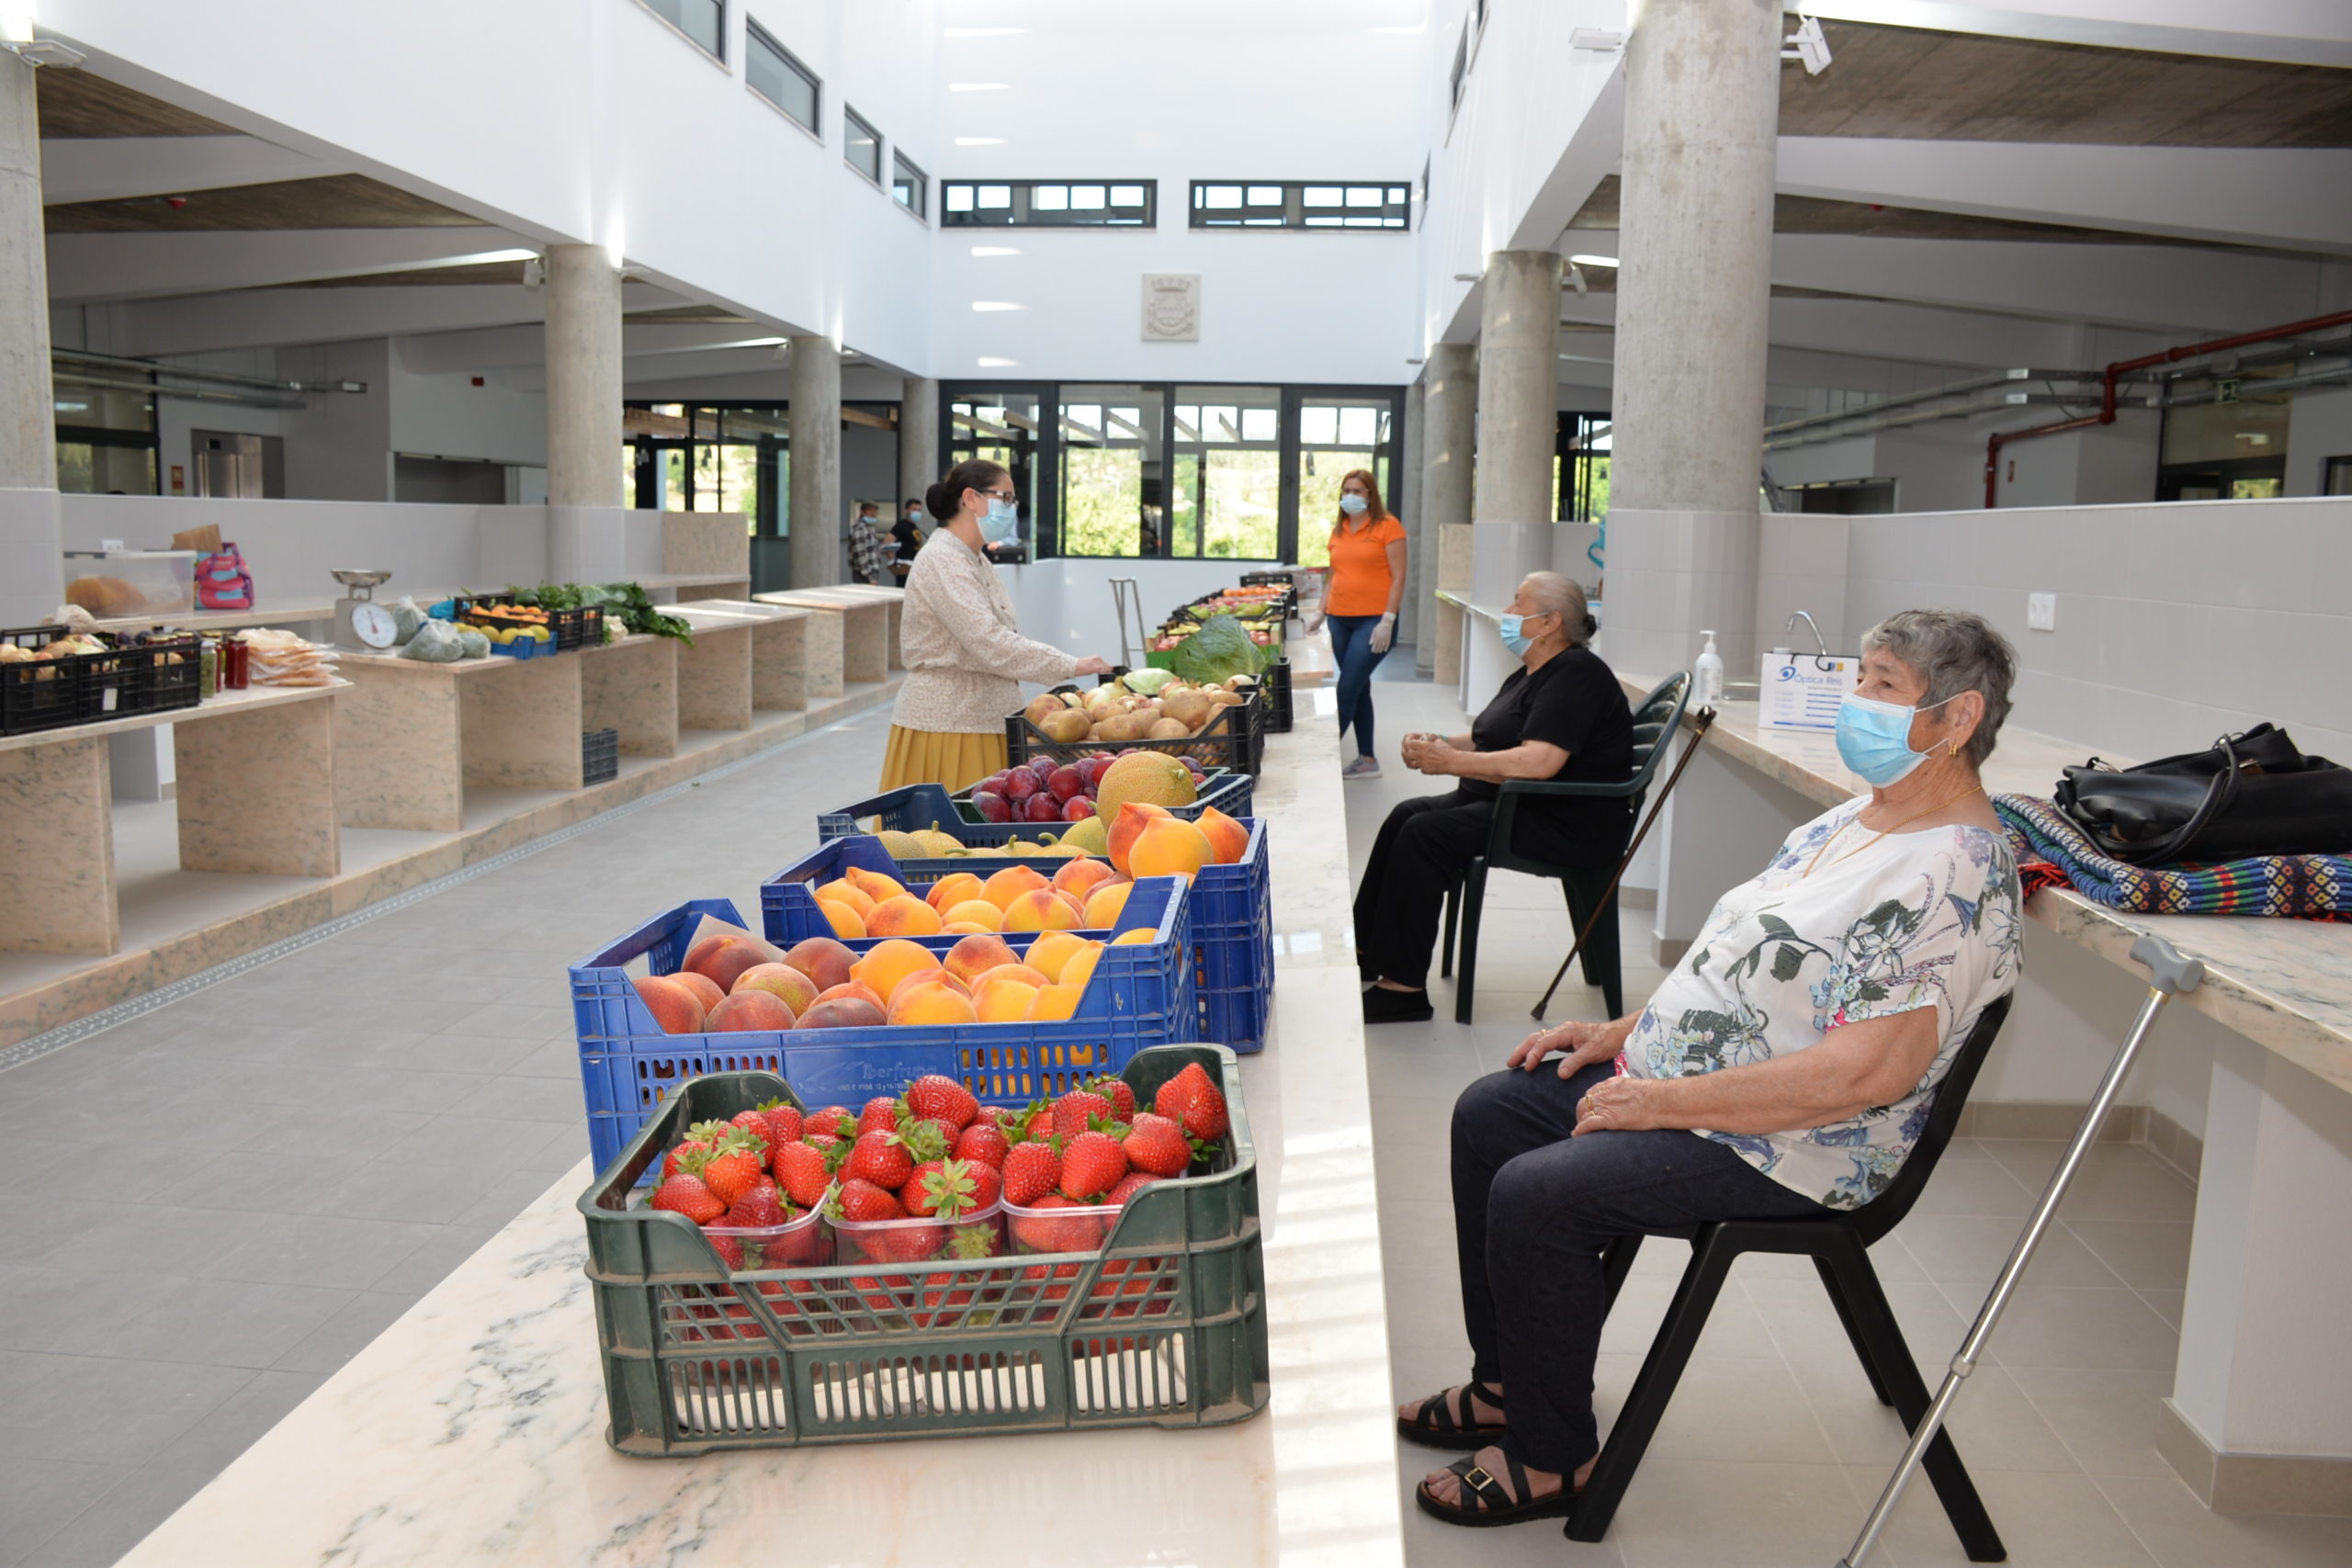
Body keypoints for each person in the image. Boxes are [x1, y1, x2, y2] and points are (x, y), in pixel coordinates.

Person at [1398, 608, 2024, 1528]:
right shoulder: (1855, 821)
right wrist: (1626, 1032)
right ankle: (1506, 1388)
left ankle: (1550, 1459)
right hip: (1702, 1093)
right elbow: (1743, 966)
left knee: (1541, 1192)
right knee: (1490, 1112)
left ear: (1956, 718)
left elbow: (1863, 1077)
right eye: (1861, 677)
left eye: (1882, 685)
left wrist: (1659, 1103)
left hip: (1797, 1144)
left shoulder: (1954, 874)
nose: (1856, 701)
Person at [1354, 572, 1631, 1025]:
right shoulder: (1535, 672)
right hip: (1520, 805)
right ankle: (1369, 950)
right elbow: (1495, 736)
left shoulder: (1576, 675)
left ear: (1549, 623)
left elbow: (1540, 761)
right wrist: (1440, 742)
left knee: (1426, 834)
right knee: (1405, 815)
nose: (1507, 613)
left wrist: (1449, 762)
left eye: (1517, 605)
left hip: (1563, 821)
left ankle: (1402, 989)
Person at [879, 457, 1113, 793]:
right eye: (1005, 498)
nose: (1011, 508)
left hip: (981, 717)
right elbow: (990, 642)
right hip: (950, 723)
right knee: (948, 838)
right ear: (971, 498)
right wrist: (1069, 665)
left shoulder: (972, 556)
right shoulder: (943, 559)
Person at [1314, 469, 1408, 779]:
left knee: (1347, 688)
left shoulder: (1388, 527)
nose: (1351, 495)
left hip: (1373, 620)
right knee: (1359, 687)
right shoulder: (1339, 528)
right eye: (1347, 490)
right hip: (1339, 618)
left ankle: (1320, 758)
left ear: (1370, 494)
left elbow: (1399, 576)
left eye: (1358, 490)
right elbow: (1333, 573)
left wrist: (1388, 619)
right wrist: (1320, 610)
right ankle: (1367, 759)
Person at [848, 502, 891, 586]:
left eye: (875, 511)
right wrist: (870, 577)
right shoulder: (860, 528)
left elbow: (870, 549)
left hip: (871, 572)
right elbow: (860, 555)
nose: (873, 514)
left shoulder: (869, 528)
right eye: (870, 511)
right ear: (863, 512)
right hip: (864, 574)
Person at [888, 509, 923, 583]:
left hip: (914, 567)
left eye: (919, 510)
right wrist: (894, 562)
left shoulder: (914, 527)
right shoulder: (901, 526)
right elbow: (887, 544)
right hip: (904, 566)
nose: (917, 512)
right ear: (907, 510)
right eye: (914, 509)